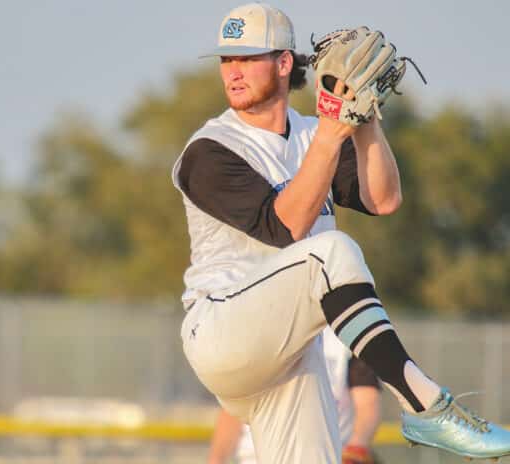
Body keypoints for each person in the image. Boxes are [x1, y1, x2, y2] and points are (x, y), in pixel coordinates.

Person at [172, 3, 510, 463]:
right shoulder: (210, 150)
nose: (233, 70)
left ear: (284, 62)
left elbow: (383, 199)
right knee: (327, 251)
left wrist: (364, 117)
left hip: (290, 353)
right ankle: (424, 403)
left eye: (248, 57)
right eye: (227, 60)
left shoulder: (313, 134)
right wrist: (334, 132)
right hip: (222, 332)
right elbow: (286, 227)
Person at [207, 328, 381, 464]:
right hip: (257, 457)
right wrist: (216, 458)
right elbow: (233, 410)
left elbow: (367, 405)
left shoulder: (344, 339)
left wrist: (355, 447)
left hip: (325, 456)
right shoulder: (260, 333)